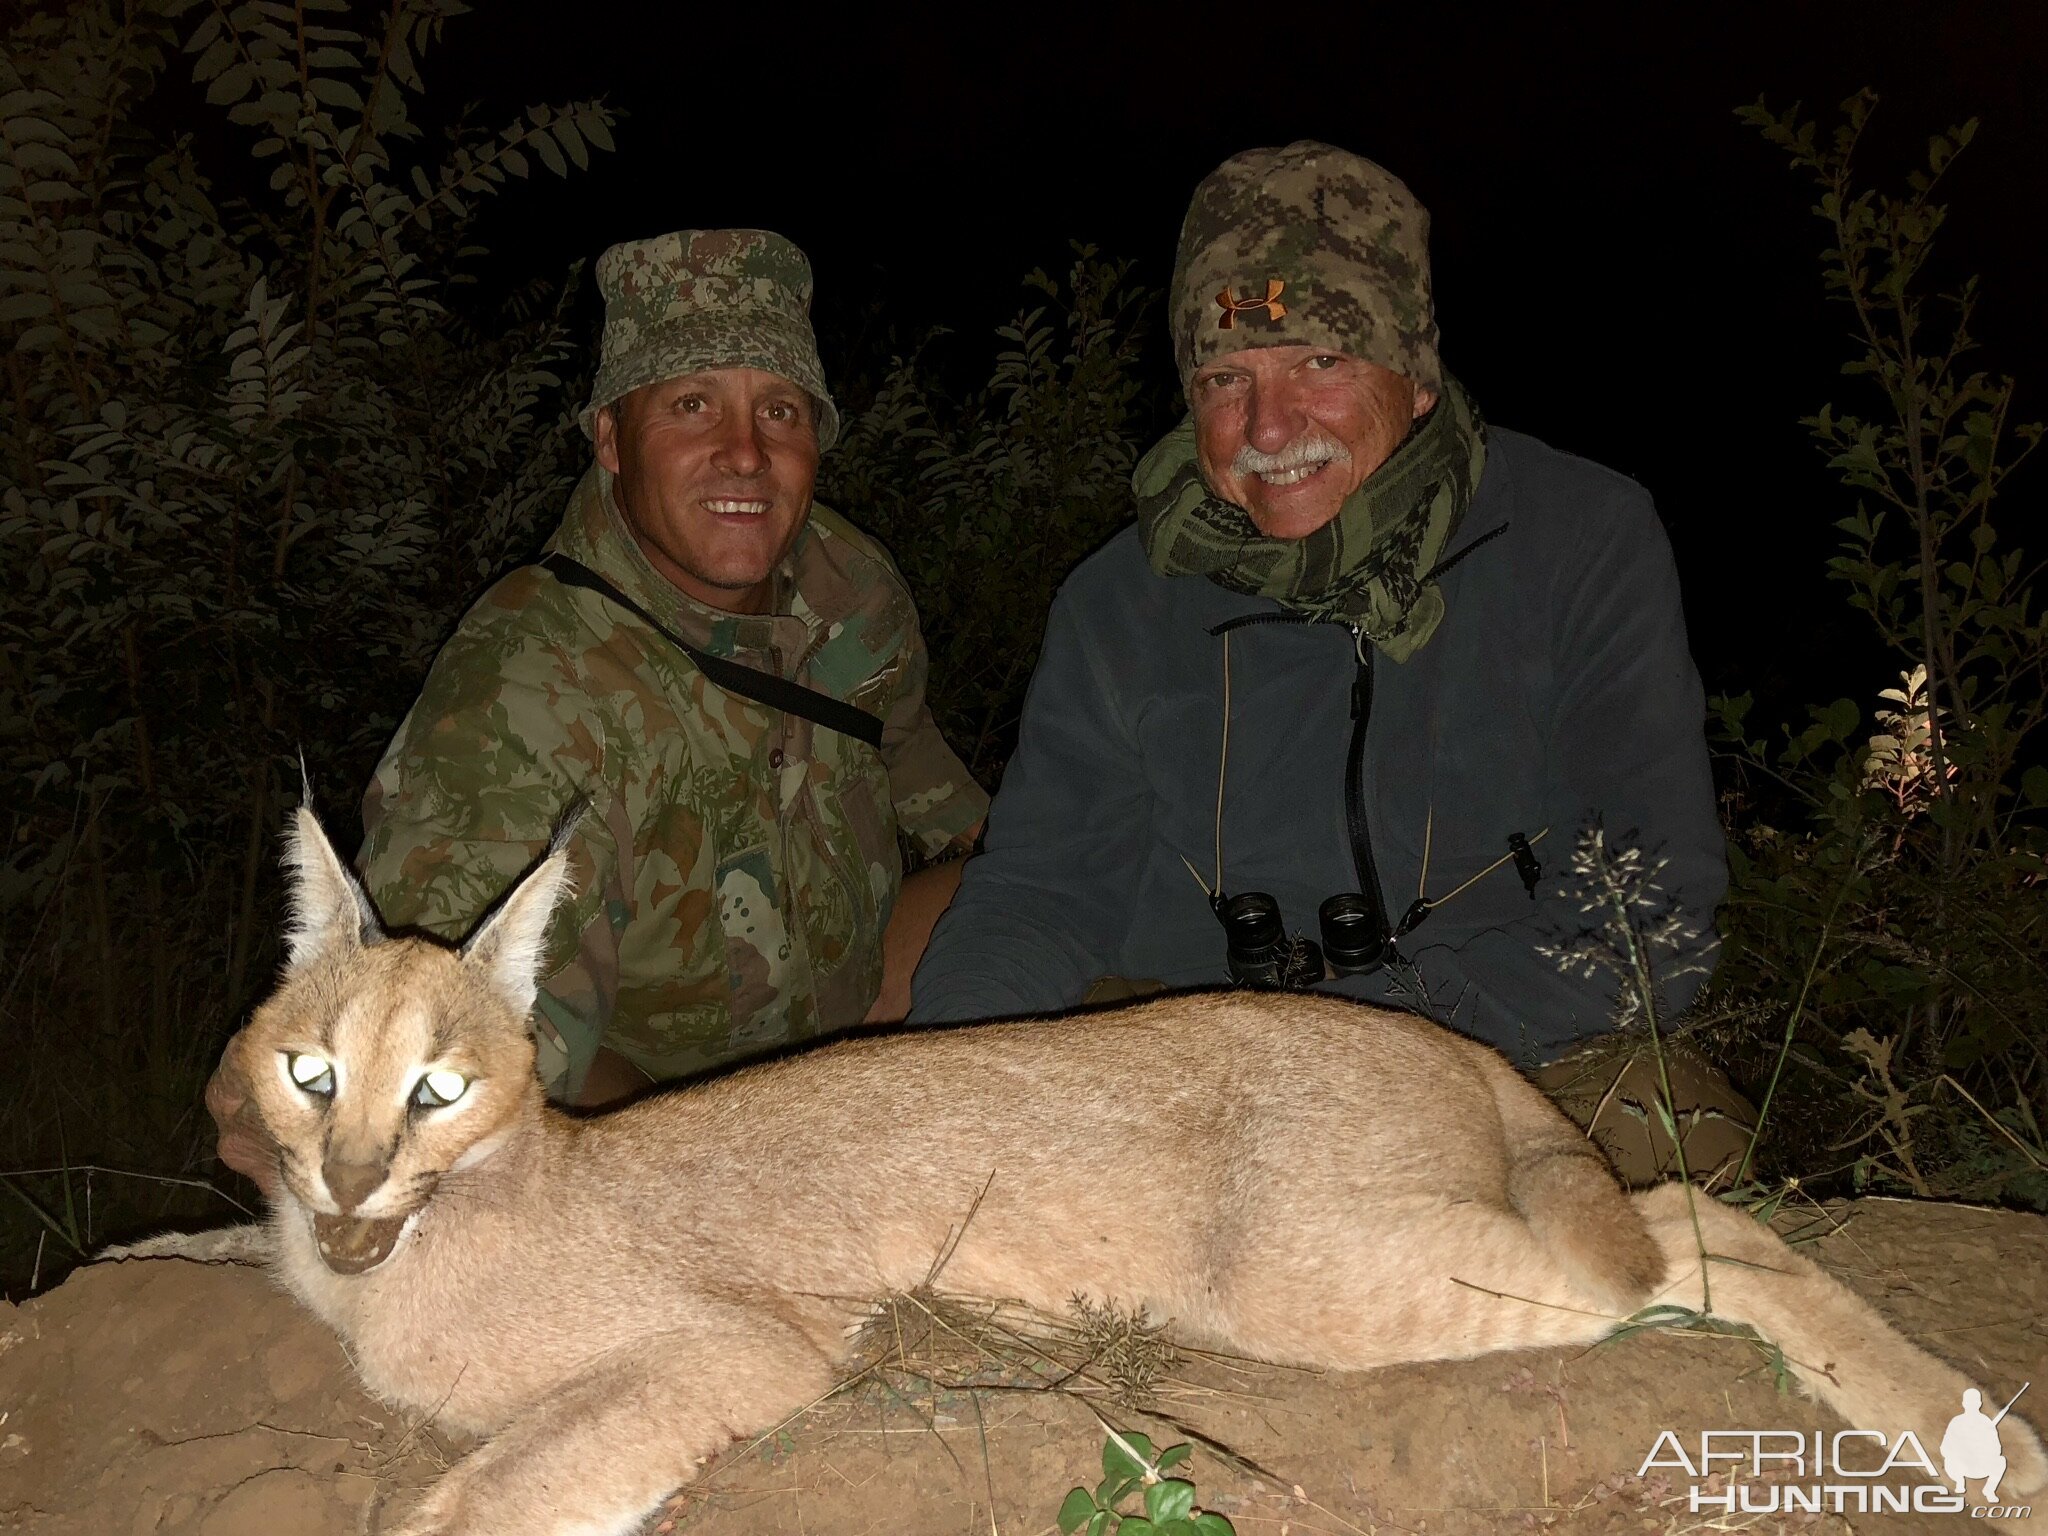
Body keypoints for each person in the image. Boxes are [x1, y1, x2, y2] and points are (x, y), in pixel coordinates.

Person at [908, 143, 1746, 1182]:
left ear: (1415, 371)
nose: (1268, 426)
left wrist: (1357, 1045)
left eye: (1320, 362)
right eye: (1225, 379)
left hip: (1496, 1050)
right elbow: (1038, 892)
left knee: (1673, 1137)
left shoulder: (1581, 541)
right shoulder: (1115, 601)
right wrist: (944, 1087)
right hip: (1182, 1060)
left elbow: (1647, 911)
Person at [211, 228, 987, 1179]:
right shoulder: (524, 693)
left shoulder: (851, 593)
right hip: (654, 1104)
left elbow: (924, 777)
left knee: (1039, 894)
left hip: (841, 1037)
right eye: (692, 405)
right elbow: (463, 1048)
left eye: (779, 411)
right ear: (612, 440)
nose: (744, 454)